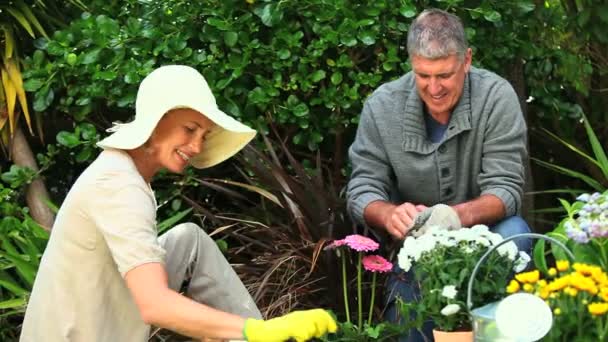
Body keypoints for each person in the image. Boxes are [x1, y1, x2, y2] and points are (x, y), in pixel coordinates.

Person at [20, 65, 337, 342]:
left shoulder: (125, 173)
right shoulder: (118, 186)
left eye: (204, 134)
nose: (197, 146)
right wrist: (256, 331)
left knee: (189, 240)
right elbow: (154, 305)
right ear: (157, 120)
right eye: (190, 129)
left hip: (105, 315)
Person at [345, 9, 531, 342]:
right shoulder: (381, 106)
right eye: (423, 75)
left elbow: (506, 189)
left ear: (467, 60)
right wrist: (388, 214)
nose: (434, 88)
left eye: (444, 75)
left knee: (516, 234)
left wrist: (452, 217)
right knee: (408, 321)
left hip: (486, 235)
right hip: (415, 246)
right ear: (411, 64)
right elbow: (361, 187)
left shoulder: (496, 97)